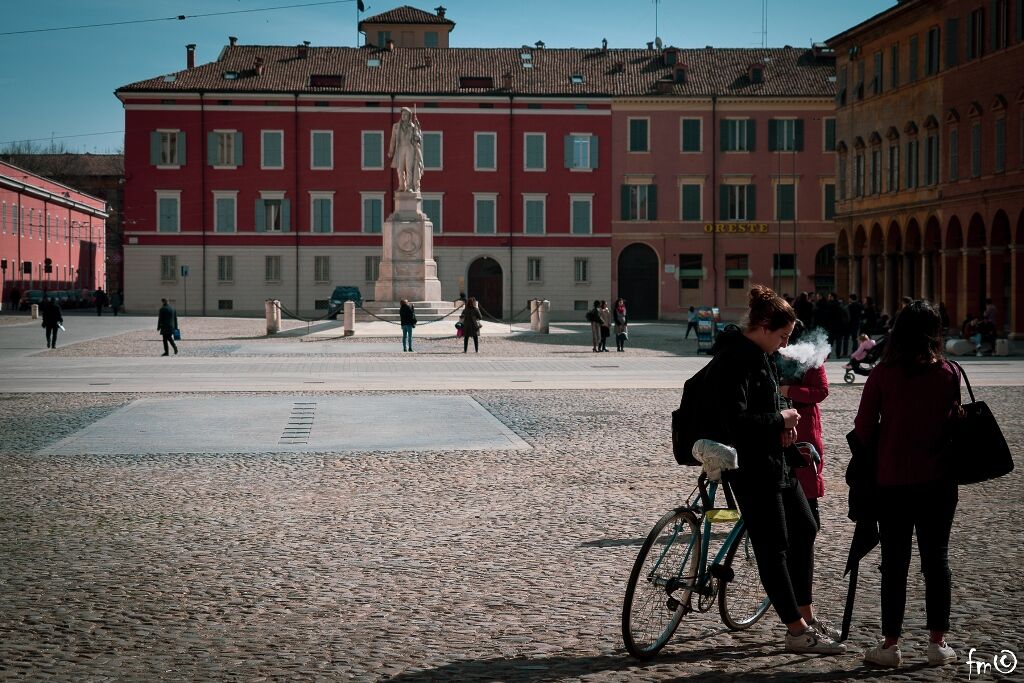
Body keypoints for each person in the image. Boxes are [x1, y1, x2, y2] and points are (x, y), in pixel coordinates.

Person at [705, 285, 844, 654]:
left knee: (806, 527)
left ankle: (806, 613)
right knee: (774, 546)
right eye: (782, 336)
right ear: (764, 326)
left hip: (774, 460)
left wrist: (783, 426)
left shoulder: (761, 354)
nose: (784, 345)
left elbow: (764, 407)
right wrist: (779, 417)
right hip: (750, 466)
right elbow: (736, 421)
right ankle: (796, 631)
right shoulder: (736, 358)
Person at [854, 300, 960, 668]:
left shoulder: (882, 374)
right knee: (937, 559)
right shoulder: (948, 373)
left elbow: (863, 429)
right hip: (938, 481)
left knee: (894, 563)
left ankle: (890, 645)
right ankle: (937, 642)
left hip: (892, 481)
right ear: (935, 333)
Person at [388, 107, 424, 192]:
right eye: (402, 114)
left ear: (409, 116)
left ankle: (409, 187)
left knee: (409, 168)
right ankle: (401, 186)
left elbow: (418, 138)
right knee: (400, 169)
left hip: (409, 148)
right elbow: (393, 139)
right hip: (400, 149)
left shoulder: (413, 126)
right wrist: (391, 151)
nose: (403, 116)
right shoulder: (396, 126)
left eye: (405, 114)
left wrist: (417, 137)